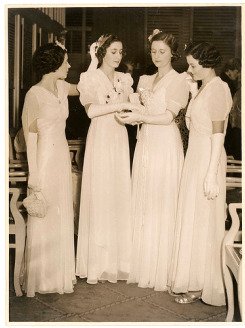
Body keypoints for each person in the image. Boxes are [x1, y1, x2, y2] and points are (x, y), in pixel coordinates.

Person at [116, 30, 189, 291]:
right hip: (146, 142)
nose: (157, 56)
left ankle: (163, 268)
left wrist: (141, 118)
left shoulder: (180, 79)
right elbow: (138, 107)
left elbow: (169, 117)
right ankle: (144, 263)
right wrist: (130, 110)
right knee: (145, 197)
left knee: (162, 199)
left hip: (165, 144)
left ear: (173, 53)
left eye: (162, 51)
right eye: (154, 51)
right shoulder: (145, 79)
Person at [21, 41, 94, 297]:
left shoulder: (62, 86)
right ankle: (42, 278)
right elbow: (30, 138)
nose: (69, 65)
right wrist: (34, 173)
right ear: (54, 64)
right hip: (44, 157)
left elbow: (85, 88)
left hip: (61, 155)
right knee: (45, 213)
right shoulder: (34, 94)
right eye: (66, 61)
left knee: (61, 211)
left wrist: (94, 58)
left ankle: (59, 274)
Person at [76, 34, 143, 284]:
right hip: (101, 137)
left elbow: (129, 107)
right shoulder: (89, 78)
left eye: (121, 51)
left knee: (117, 193)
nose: (118, 56)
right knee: (101, 193)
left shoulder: (125, 79)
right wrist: (119, 105)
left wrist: (138, 107)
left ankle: (119, 262)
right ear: (102, 52)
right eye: (114, 51)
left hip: (118, 138)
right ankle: (98, 263)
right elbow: (92, 111)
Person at [170, 42, 232, 306]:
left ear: (207, 64)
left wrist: (210, 174)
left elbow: (218, 134)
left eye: (194, 65)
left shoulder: (219, 88)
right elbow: (193, 124)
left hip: (208, 158)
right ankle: (195, 280)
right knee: (194, 220)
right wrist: (193, 91)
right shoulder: (203, 88)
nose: (190, 69)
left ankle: (204, 284)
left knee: (205, 223)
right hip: (195, 158)